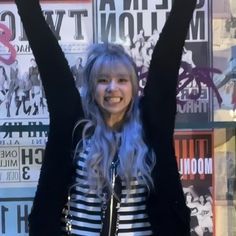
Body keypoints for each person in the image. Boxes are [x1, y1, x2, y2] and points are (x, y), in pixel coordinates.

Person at [15, 0, 197, 235]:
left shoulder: (152, 127)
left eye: (122, 80)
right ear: (92, 88)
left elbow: (168, 59)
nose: (113, 88)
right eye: (103, 80)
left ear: (133, 87)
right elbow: (49, 60)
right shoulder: (72, 126)